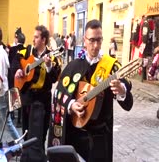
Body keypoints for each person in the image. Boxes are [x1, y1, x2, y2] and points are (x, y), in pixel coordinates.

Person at [48, 19, 133, 162]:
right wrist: (71, 104)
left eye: (99, 40)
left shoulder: (111, 66)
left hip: (100, 139)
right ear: (84, 40)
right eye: (92, 40)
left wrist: (121, 90)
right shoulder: (73, 66)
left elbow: (128, 103)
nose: (95, 46)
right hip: (74, 136)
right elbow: (59, 94)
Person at [14, 25, 61, 161]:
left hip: (42, 101)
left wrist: (49, 66)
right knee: (26, 133)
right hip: (27, 98)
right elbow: (16, 59)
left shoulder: (52, 57)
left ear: (43, 39)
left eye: (36, 37)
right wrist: (18, 69)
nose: (33, 39)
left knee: (40, 135)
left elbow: (54, 79)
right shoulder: (28, 51)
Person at [8, 27, 26, 127]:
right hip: (22, 77)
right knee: (20, 96)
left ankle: (12, 115)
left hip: (13, 75)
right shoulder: (26, 50)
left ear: (17, 39)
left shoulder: (12, 49)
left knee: (13, 95)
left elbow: (10, 62)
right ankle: (20, 118)